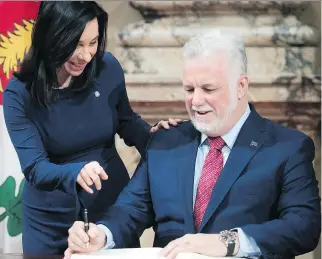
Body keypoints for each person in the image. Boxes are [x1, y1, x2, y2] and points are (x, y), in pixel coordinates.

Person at [66, 31, 321, 259]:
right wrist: (101, 234)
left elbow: (304, 226)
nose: (195, 101)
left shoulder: (287, 147)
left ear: (241, 86)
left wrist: (227, 242)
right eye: (189, 89)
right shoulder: (164, 141)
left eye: (208, 89)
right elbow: (131, 210)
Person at [3, 1, 180, 255]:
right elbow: (34, 168)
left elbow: (126, 122)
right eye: (76, 44)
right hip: (50, 222)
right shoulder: (19, 93)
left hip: (110, 211)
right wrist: (75, 172)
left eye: (93, 42)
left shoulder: (107, 68)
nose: (86, 55)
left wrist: (155, 137)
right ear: (52, 37)